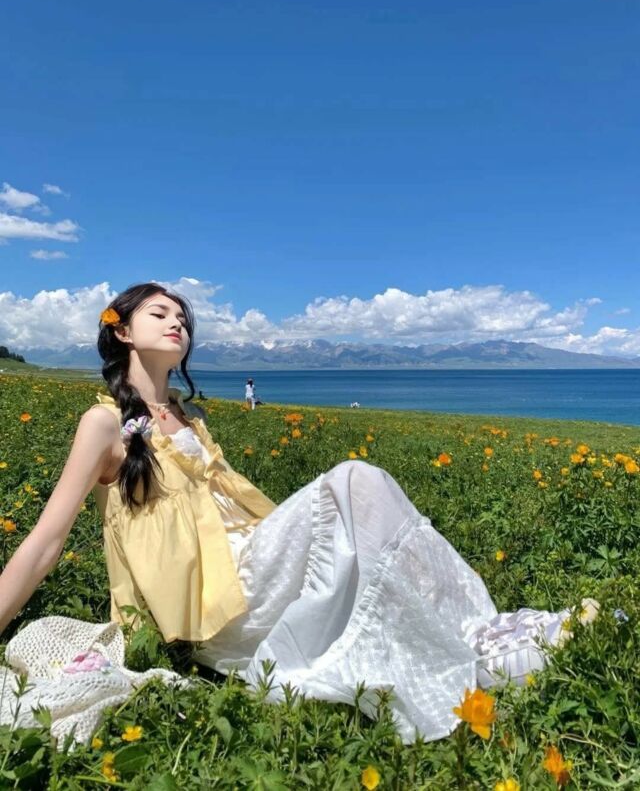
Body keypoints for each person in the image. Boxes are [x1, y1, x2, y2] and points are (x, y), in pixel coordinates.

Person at [0, 283, 598, 744]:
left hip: (250, 562)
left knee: (363, 502)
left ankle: (476, 633)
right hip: (208, 599)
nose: (177, 321)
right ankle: (474, 647)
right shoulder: (103, 423)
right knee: (355, 481)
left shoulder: (189, 417)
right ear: (123, 331)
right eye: (159, 313)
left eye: (182, 316)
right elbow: (47, 540)